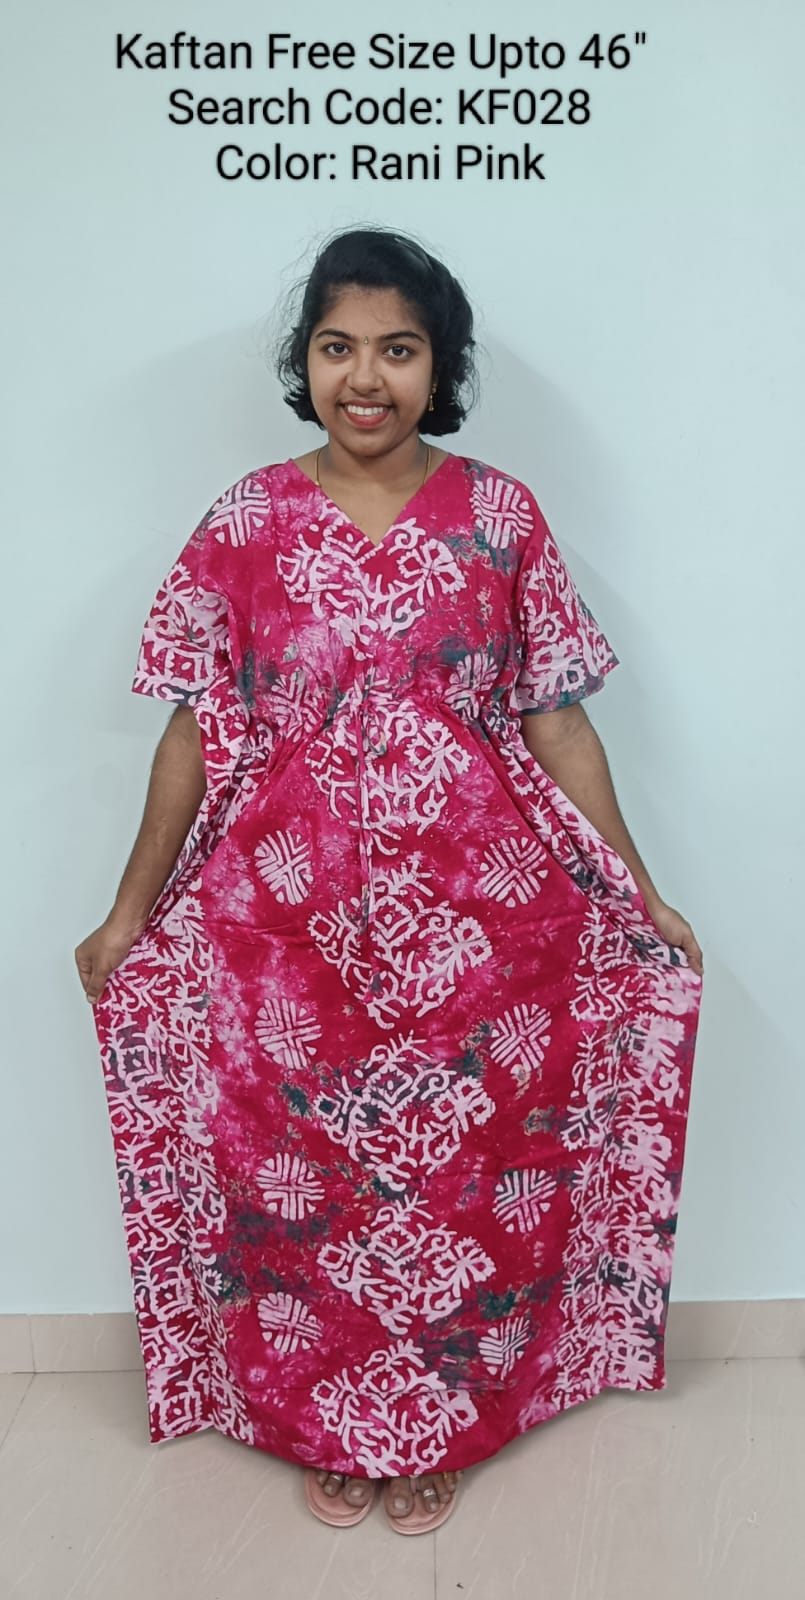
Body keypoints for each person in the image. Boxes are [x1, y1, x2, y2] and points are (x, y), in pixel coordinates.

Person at [75, 225, 704, 1535]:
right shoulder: (245, 522)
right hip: (281, 929)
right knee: (300, 1177)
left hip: (481, 929)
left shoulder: (500, 518)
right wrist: (130, 912)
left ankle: (440, 1421)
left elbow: (557, 718)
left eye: (399, 350)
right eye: (338, 347)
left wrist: (637, 890)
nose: (366, 378)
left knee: (464, 1181)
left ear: (440, 366)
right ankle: (327, 1418)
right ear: (305, 361)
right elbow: (192, 726)